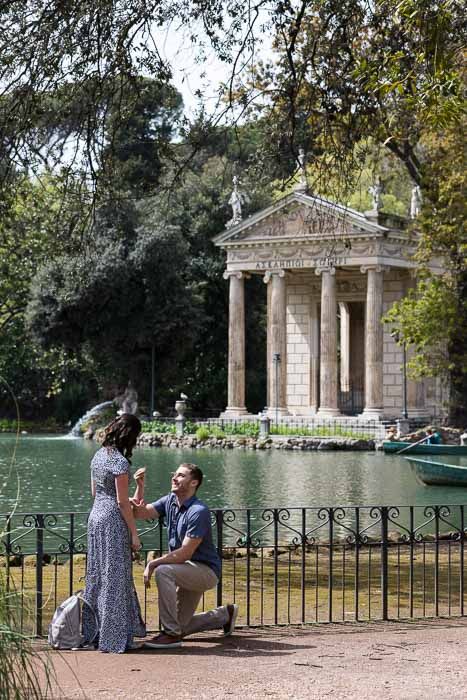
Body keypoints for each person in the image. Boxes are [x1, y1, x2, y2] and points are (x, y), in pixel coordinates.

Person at [132, 463, 238, 649]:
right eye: (175, 474)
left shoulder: (198, 511)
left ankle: (171, 635)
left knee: (163, 571)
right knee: (181, 624)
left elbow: (185, 552)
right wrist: (140, 487)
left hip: (204, 571)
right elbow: (139, 513)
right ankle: (224, 615)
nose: (174, 478)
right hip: (185, 568)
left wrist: (153, 563)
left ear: (193, 483)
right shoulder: (170, 501)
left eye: (181, 476)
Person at [82, 413, 146, 653]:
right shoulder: (119, 462)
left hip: (95, 518)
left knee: (97, 576)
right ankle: (114, 638)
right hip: (111, 522)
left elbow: (96, 493)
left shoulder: (98, 456)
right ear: (130, 436)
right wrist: (134, 534)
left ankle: (94, 633)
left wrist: (126, 496)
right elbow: (121, 504)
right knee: (115, 578)